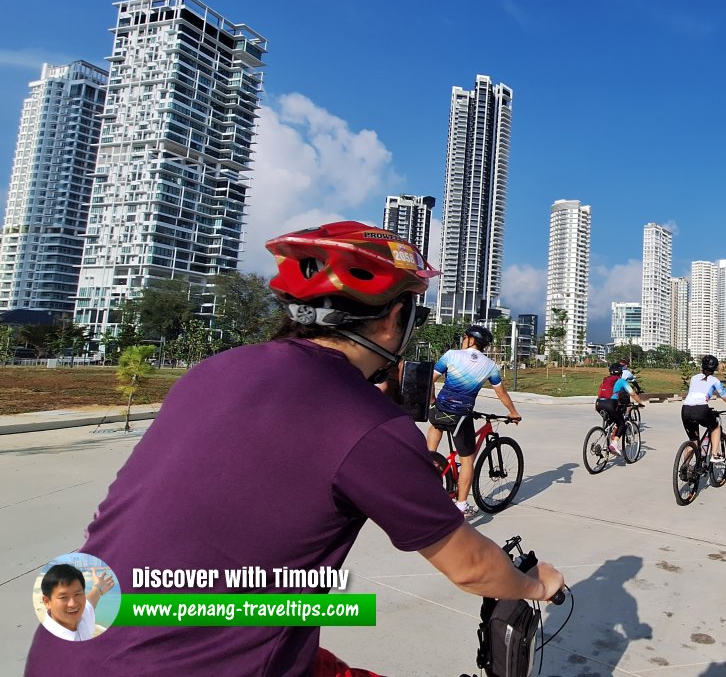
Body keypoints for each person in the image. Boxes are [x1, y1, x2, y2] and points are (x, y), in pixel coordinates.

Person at [25, 221, 563, 677]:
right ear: (392, 319)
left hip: (63, 648)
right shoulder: (369, 425)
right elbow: (470, 567)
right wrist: (533, 583)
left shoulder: (212, 371)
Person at [425, 324, 522, 517]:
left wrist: (432, 401)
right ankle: (461, 505)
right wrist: (513, 412)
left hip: (440, 410)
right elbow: (501, 393)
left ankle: (427, 460)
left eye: (464, 337)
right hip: (461, 416)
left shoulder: (451, 355)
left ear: (470, 340)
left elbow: (430, 379)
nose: (463, 340)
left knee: (436, 426)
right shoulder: (490, 366)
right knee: (468, 461)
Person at [681, 355, 726, 463]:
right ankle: (714, 454)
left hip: (685, 410)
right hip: (701, 410)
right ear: (715, 369)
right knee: (716, 427)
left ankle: (685, 467)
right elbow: (725, 397)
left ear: (702, 366)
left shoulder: (694, 378)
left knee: (693, 441)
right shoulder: (715, 381)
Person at [39, 564, 115, 641]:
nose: (73, 604)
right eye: (63, 597)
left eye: (77, 594)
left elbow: (90, 602)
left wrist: (98, 588)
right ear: (47, 602)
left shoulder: (82, 617)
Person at [595, 362, 643, 455]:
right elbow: (632, 393)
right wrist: (640, 402)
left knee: (610, 423)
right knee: (621, 424)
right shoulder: (621, 381)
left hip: (599, 403)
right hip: (611, 404)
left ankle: (606, 444)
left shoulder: (605, 380)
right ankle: (614, 443)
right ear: (621, 372)